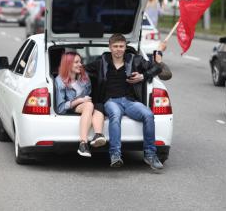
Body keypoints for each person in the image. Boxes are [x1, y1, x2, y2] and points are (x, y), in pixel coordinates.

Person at [85, 34, 172, 169]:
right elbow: (81, 69)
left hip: (130, 101)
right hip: (111, 101)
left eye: (121, 46)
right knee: (115, 115)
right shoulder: (102, 61)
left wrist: (143, 76)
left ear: (125, 47)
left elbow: (156, 68)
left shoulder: (135, 60)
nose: (118, 49)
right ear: (110, 47)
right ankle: (115, 155)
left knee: (148, 114)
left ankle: (150, 154)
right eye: (115, 46)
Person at [55, 52, 106, 157]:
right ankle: (83, 143)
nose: (80, 64)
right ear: (67, 64)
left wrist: (84, 100)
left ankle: (96, 136)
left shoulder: (84, 76)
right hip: (71, 106)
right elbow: (60, 108)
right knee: (89, 105)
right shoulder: (59, 81)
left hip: (85, 104)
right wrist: (79, 101)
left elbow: (89, 92)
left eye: (80, 62)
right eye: (76, 62)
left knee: (98, 106)